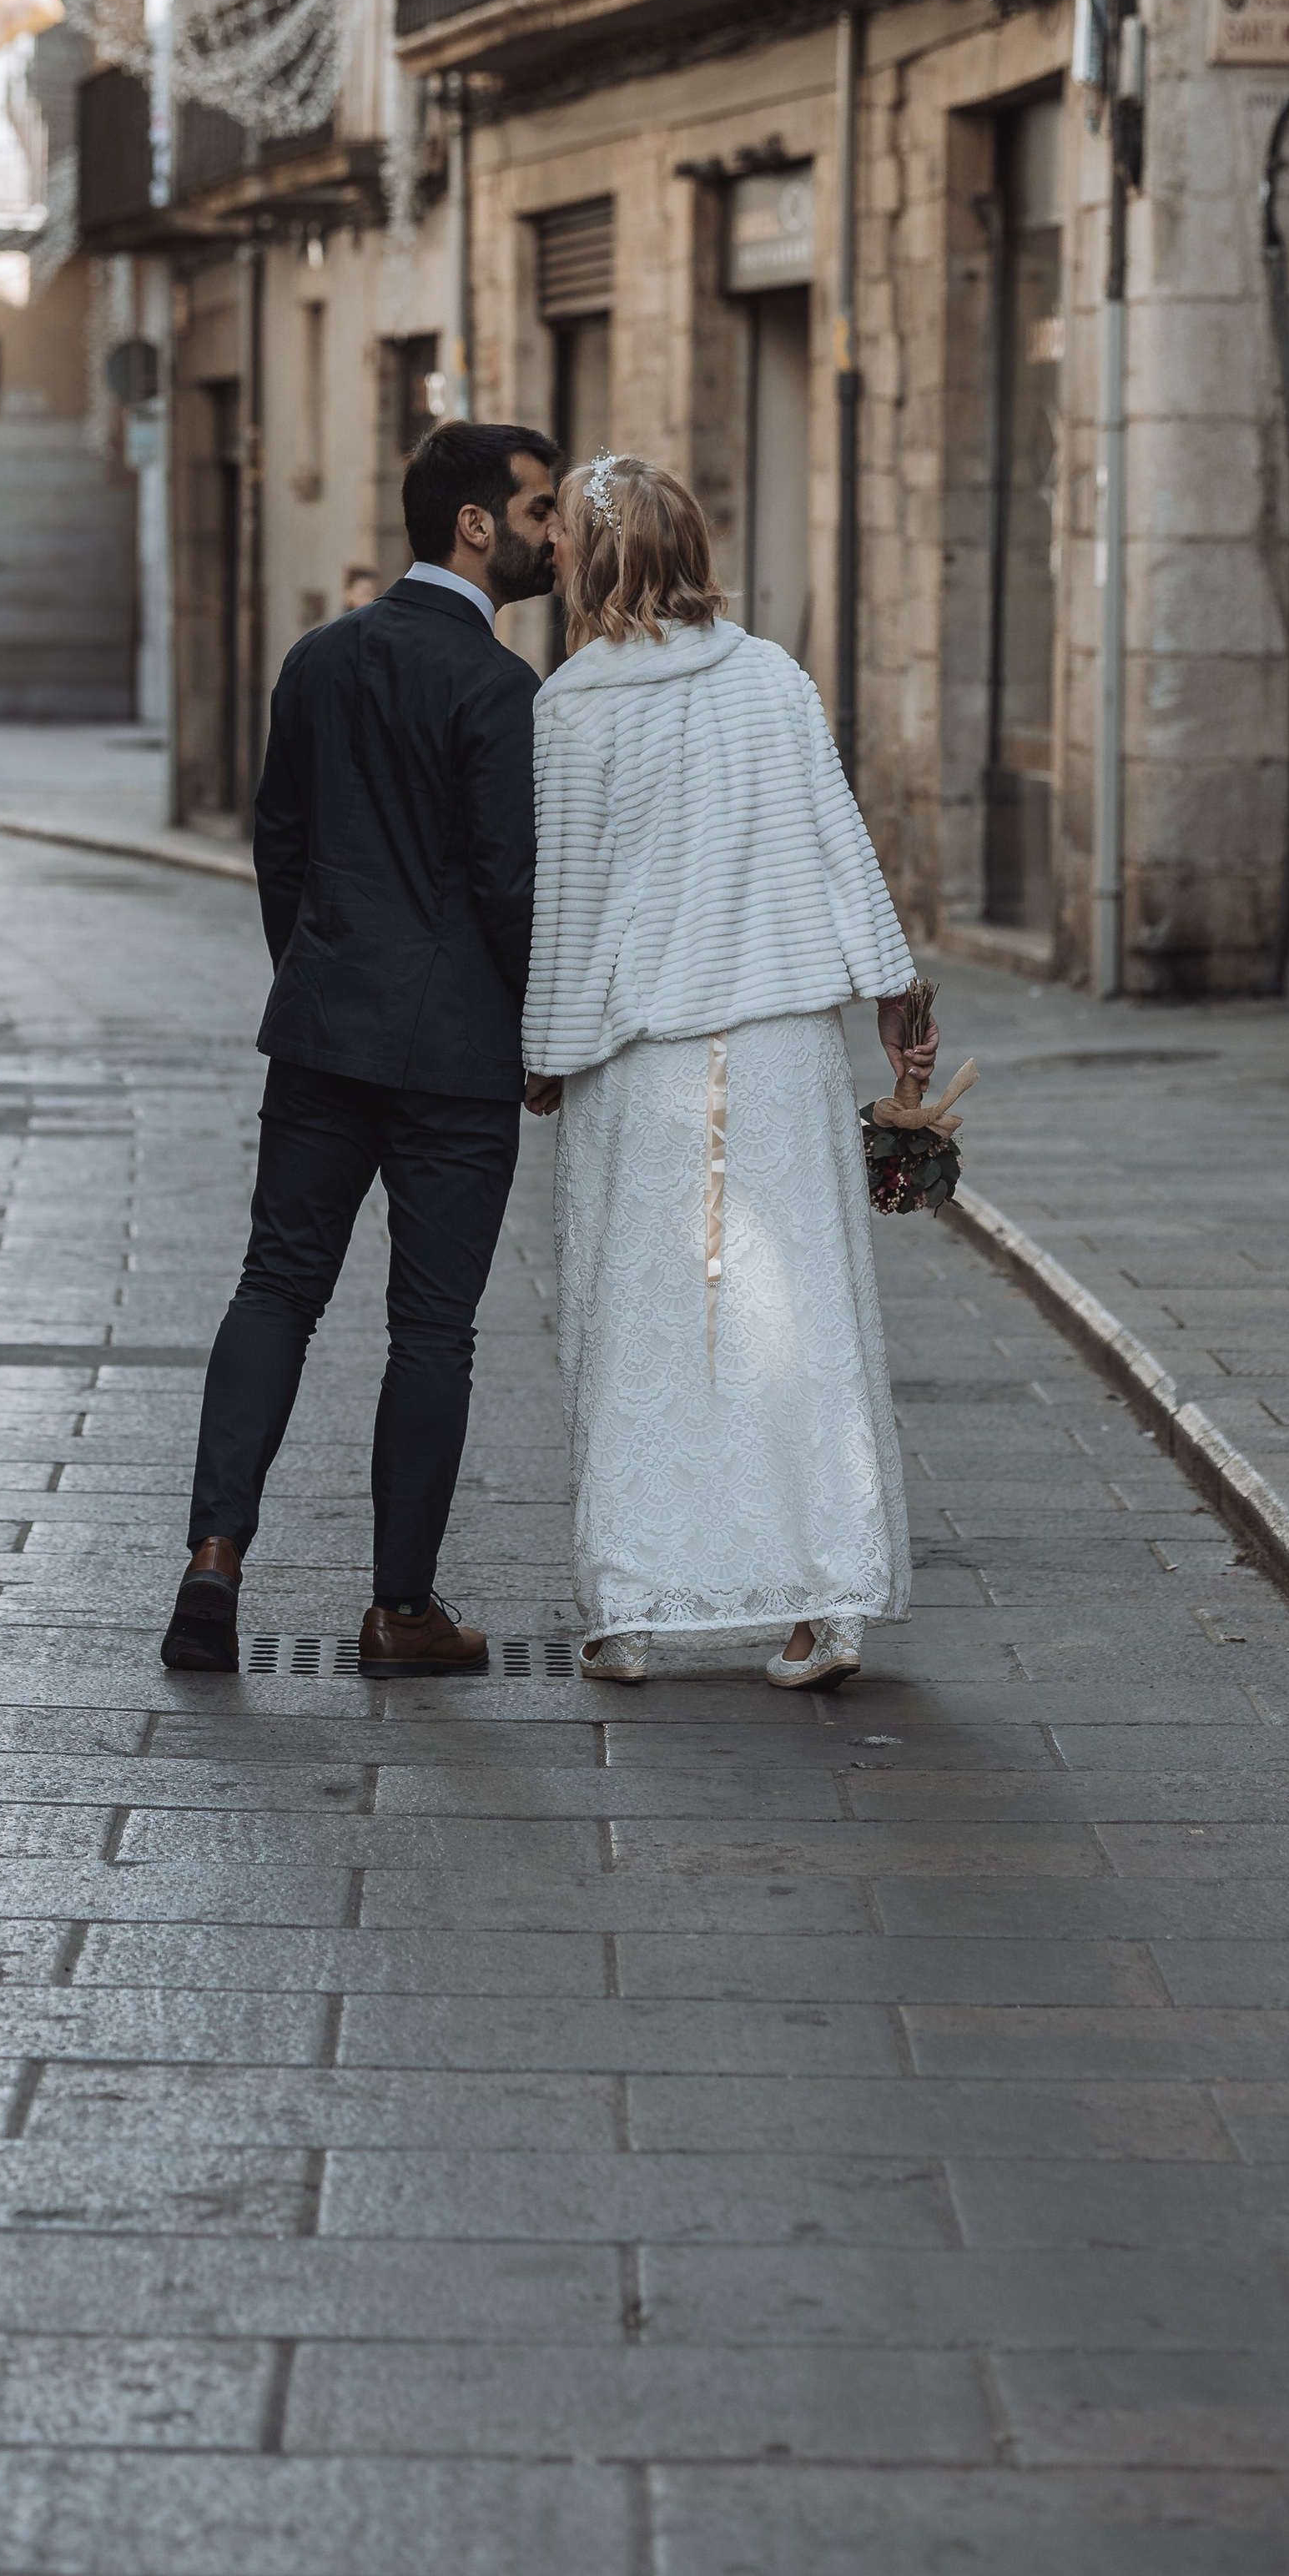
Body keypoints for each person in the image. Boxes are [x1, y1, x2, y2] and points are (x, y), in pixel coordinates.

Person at [521, 452, 938, 1691]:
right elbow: (837, 841)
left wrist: (542, 1054)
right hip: (778, 1049)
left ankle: (628, 1603)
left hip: (641, 1061)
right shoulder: (775, 679)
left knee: (634, 1322)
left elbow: (568, 902)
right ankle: (822, 1603)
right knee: (796, 1314)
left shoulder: (575, 702)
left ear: (597, 563)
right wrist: (896, 991)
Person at [162, 420, 560, 1678]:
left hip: (324, 1037)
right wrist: (541, 1035)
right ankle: (400, 1613)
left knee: (276, 1285)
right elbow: (509, 888)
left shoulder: (318, 660)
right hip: (454, 1062)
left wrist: (322, 973)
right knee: (432, 1330)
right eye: (542, 511)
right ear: (477, 525)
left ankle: (212, 1566)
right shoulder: (500, 691)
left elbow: (280, 848)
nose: (559, 535)